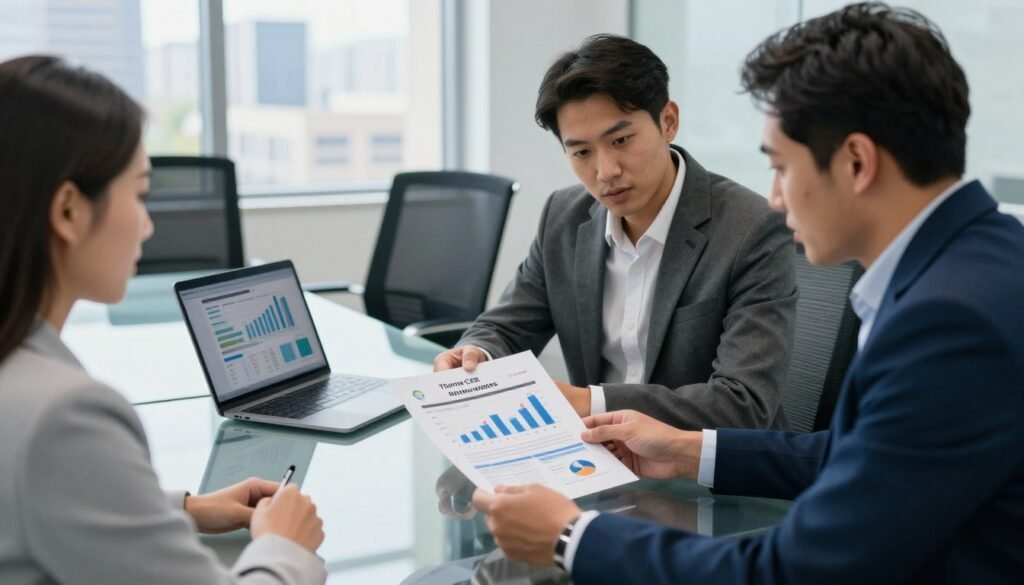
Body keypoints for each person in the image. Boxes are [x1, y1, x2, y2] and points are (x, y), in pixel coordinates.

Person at [472, 3, 1024, 583]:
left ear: (856, 162)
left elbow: (794, 571)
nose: (777, 199)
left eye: (781, 167)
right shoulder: (980, 260)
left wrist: (570, 536)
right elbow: (865, 456)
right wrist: (688, 450)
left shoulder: (948, 324)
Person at [0, 56, 326, 585]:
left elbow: (35, 499)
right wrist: (286, 547)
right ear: (67, 211)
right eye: (141, 193)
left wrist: (182, 508)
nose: (149, 225)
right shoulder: (64, 415)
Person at [435, 34, 797, 431]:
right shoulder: (564, 216)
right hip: (596, 462)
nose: (606, 171)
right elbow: (505, 326)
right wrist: (476, 354)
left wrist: (591, 402)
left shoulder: (751, 228)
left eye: (621, 140)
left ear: (668, 121)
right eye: (582, 153)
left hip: (704, 475)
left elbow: (742, 404)